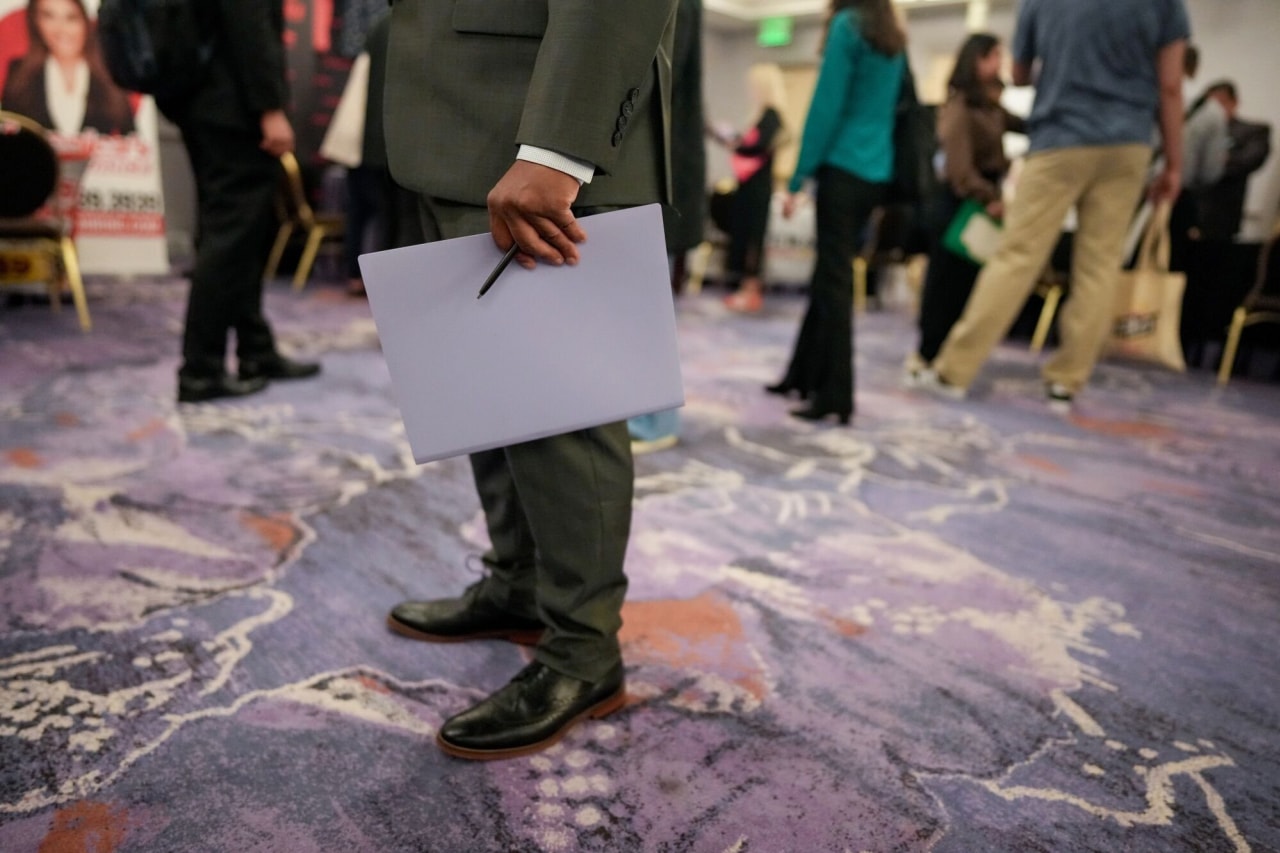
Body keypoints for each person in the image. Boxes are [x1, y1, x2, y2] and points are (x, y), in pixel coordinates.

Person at [381, 0, 677, 759]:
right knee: (487, 391)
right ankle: (519, 581)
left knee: (562, 411)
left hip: (537, 127)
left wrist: (558, 148)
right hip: (459, 115)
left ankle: (584, 650)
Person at [923, 0, 1190, 410]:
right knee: (1099, 265)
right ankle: (1067, 380)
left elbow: (1020, 74)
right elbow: (1170, 85)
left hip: (1059, 138)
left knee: (1016, 256)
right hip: (1128, 143)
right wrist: (1173, 164)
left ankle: (954, 370)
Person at [156, 0, 320, 403]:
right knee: (230, 238)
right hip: (233, 107)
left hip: (206, 102)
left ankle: (255, 349)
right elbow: (250, 26)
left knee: (236, 235)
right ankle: (201, 370)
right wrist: (270, 108)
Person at [767, 0, 907, 425]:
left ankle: (835, 395)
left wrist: (796, 178)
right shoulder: (893, 37)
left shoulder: (848, 25)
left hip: (843, 168)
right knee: (829, 274)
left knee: (833, 282)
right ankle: (800, 375)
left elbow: (826, 106)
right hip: (875, 172)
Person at [908, 33, 1025, 380]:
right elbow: (959, 169)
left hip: (980, 202)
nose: (1000, 63)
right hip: (959, 205)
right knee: (944, 285)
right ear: (976, 59)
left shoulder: (991, 107)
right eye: (994, 56)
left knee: (967, 286)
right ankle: (926, 355)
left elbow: (1023, 125)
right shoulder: (959, 107)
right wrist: (988, 197)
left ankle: (947, 357)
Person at [628, 0, 706, 456]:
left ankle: (653, 420)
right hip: (661, 169)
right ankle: (644, 415)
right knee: (643, 304)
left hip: (659, 171)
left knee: (648, 305)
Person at [1180, 81, 1272, 366]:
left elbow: (1245, 161)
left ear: (1233, 103)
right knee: (1180, 288)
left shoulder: (1253, 131)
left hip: (1220, 225)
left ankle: (1198, 353)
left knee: (1210, 293)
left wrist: (1213, 158)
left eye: (1219, 103)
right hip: (1187, 218)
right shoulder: (1194, 123)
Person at [342, 12, 424, 298]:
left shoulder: (380, 26)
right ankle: (395, 288)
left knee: (371, 214)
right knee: (406, 220)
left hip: (370, 142)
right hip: (407, 142)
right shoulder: (422, 24)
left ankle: (366, 281)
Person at [714, 63, 788, 314]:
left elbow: (758, 148)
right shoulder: (761, 116)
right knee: (745, 237)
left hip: (758, 189)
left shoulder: (771, 116)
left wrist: (735, 144)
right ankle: (745, 289)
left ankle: (751, 290)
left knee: (754, 239)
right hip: (747, 188)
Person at [1, 0, 133, 136]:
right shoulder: (19, 73)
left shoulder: (110, 72)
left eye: (71, 18)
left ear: (85, 23)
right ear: (36, 22)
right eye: (49, 16)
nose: (61, 29)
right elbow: (8, 132)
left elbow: (132, 137)